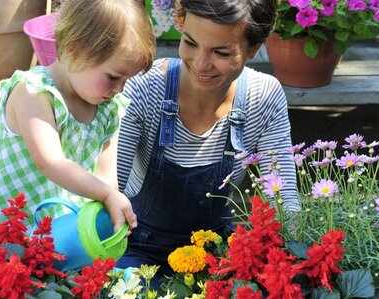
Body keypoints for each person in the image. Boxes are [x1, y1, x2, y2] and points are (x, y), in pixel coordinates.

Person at [117, 0, 300, 287]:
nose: (201, 64)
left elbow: (284, 201)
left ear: (255, 48)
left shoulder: (263, 97)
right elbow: (108, 188)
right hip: (137, 249)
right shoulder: (145, 87)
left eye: (221, 52)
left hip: (217, 255)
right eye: (190, 42)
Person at [0, 0, 156, 241]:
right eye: (114, 77)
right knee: (2, 275)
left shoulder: (107, 109)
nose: (120, 89)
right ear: (73, 50)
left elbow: (106, 176)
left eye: (126, 80)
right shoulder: (33, 93)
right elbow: (51, 162)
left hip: (64, 231)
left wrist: (108, 206)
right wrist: (105, 194)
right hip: (12, 228)